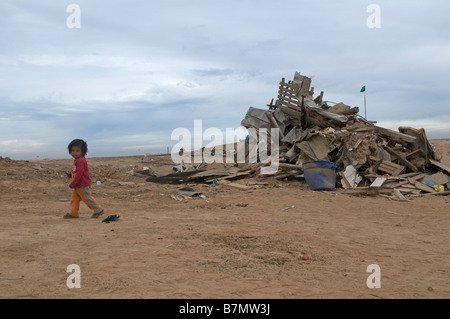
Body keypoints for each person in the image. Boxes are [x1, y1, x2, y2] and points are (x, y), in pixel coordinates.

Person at [63, 139, 105, 219]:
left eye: (77, 151)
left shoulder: (81, 161)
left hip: (82, 184)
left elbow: (79, 173)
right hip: (78, 185)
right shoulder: (77, 160)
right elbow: (76, 172)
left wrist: (73, 182)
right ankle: (73, 213)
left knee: (87, 198)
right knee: (74, 199)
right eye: (72, 150)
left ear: (83, 151)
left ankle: (98, 210)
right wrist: (70, 176)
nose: (74, 153)